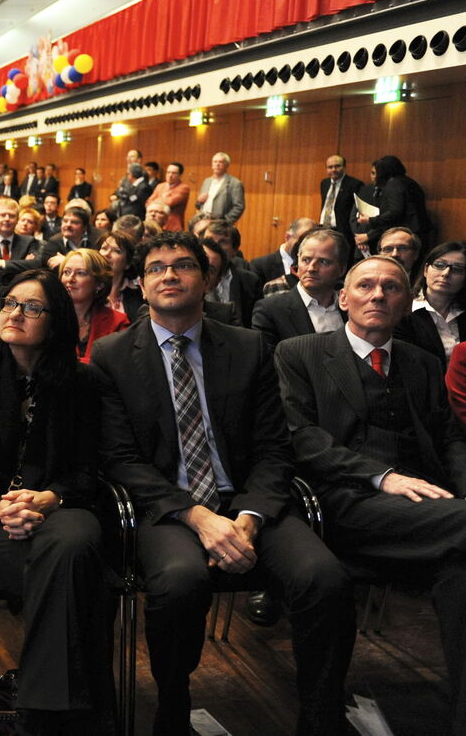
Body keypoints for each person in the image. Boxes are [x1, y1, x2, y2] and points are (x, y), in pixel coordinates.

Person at [90, 231, 354, 736]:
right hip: (166, 506)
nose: (169, 275)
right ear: (140, 285)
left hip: (249, 501)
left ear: (206, 278)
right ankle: (173, 707)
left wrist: (249, 520)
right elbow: (119, 460)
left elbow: (275, 448)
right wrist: (200, 518)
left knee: (324, 577)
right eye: (156, 268)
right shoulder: (112, 355)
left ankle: (321, 716)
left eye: (183, 265)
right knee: (180, 581)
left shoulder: (248, 346)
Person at [276, 254, 466, 734]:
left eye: (391, 288)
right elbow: (301, 437)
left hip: (432, 513)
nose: (377, 295)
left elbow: (449, 439)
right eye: (365, 286)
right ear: (343, 299)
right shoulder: (300, 353)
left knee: (462, 574)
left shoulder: (422, 363)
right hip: (343, 501)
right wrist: (382, 476)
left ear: (406, 303)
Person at [0, 268, 111, 733]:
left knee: (73, 546)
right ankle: (74, 715)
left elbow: (91, 469)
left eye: (32, 307)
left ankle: (37, 711)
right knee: (76, 575)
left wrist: (49, 498)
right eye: (11, 303)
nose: (16, 313)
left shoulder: (81, 382)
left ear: (55, 322)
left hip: (60, 508)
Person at [251, 227, 347, 349]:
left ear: (342, 269)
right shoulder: (270, 310)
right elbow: (267, 363)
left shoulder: (352, 308)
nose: (311, 268)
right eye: (306, 260)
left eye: (323, 262)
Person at [396, 241, 466, 368]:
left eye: (457, 269)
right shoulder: (404, 311)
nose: (445, 273)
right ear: (426, 270)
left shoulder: (462, 313)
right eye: (439, 265)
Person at [60, 248, 128, 363]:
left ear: (99, 284)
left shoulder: (117, 322)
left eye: (80, 273)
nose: (70, 279)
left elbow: (119, 366)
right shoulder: (48, 318)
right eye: (66, 272)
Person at [353, 155, 432, 253]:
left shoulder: (394, 184)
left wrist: (371, 220)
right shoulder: (411, 183)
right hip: (420, 233)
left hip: (405, 235)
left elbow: (395, 212)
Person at [318, 154, 363, 256]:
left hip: (342, 230)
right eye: (330, 167)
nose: (333, 169)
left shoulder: (355, 184)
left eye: (337, 166)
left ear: (344, 167)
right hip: (323, 228)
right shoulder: (324, 183)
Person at [98, 230, 141, 317]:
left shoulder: (139, 294)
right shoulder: (87, 288)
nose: (107, 254)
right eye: (104, 248)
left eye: (116, 251)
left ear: (128, 263)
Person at [196, 152, 245, 222]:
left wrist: (225, 222)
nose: (217, 164)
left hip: (220, 224)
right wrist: (198, 201)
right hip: (203, 221)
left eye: (221, 162)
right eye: (215, 162)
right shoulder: (206, 181)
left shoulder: (235, 183)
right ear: (212, 164)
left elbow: (238, 207)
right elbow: (198, 204)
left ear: (227, 165)